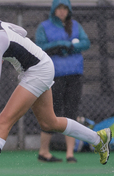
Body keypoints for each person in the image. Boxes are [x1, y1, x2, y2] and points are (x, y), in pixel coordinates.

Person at [0, 6, 111, 176]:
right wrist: (10, 49)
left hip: (37, 71)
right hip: (40, 66)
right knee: (49, 123)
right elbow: (22, 31)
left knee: (2, 122)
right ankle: (99, 139)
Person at [35, 0, 90, 163]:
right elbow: (39, 46)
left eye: (64, 9)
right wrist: (57, 45)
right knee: (52, 111)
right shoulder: (44, 26)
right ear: (54, 10)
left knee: (71, 112)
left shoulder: (76, 25)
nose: (61, 12)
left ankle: (70, 153)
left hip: (74, 74)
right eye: (59, 8)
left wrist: (73, 47)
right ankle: (43, 151)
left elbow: (86, 42)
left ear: (69, 11)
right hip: (53, 76)